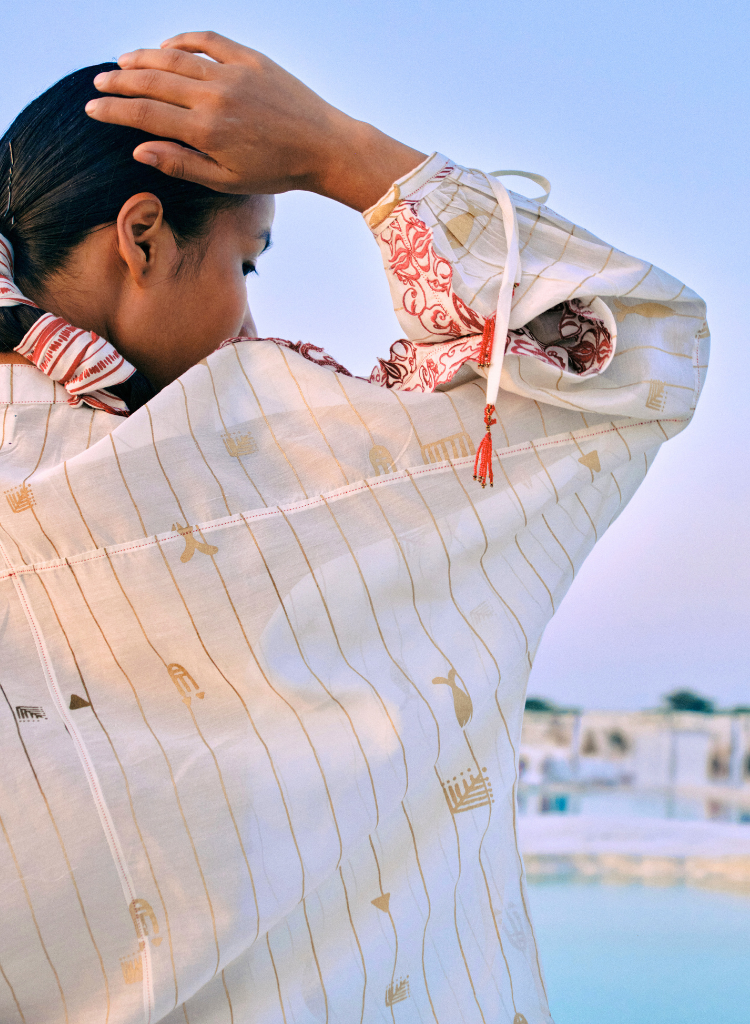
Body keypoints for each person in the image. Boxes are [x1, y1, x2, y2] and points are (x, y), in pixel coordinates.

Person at [0, 32, 708, 1024]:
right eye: (247, 261)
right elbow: (635, 353)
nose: (251, 326)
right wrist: (342, 153)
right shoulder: (268, 462)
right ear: (143, 235)